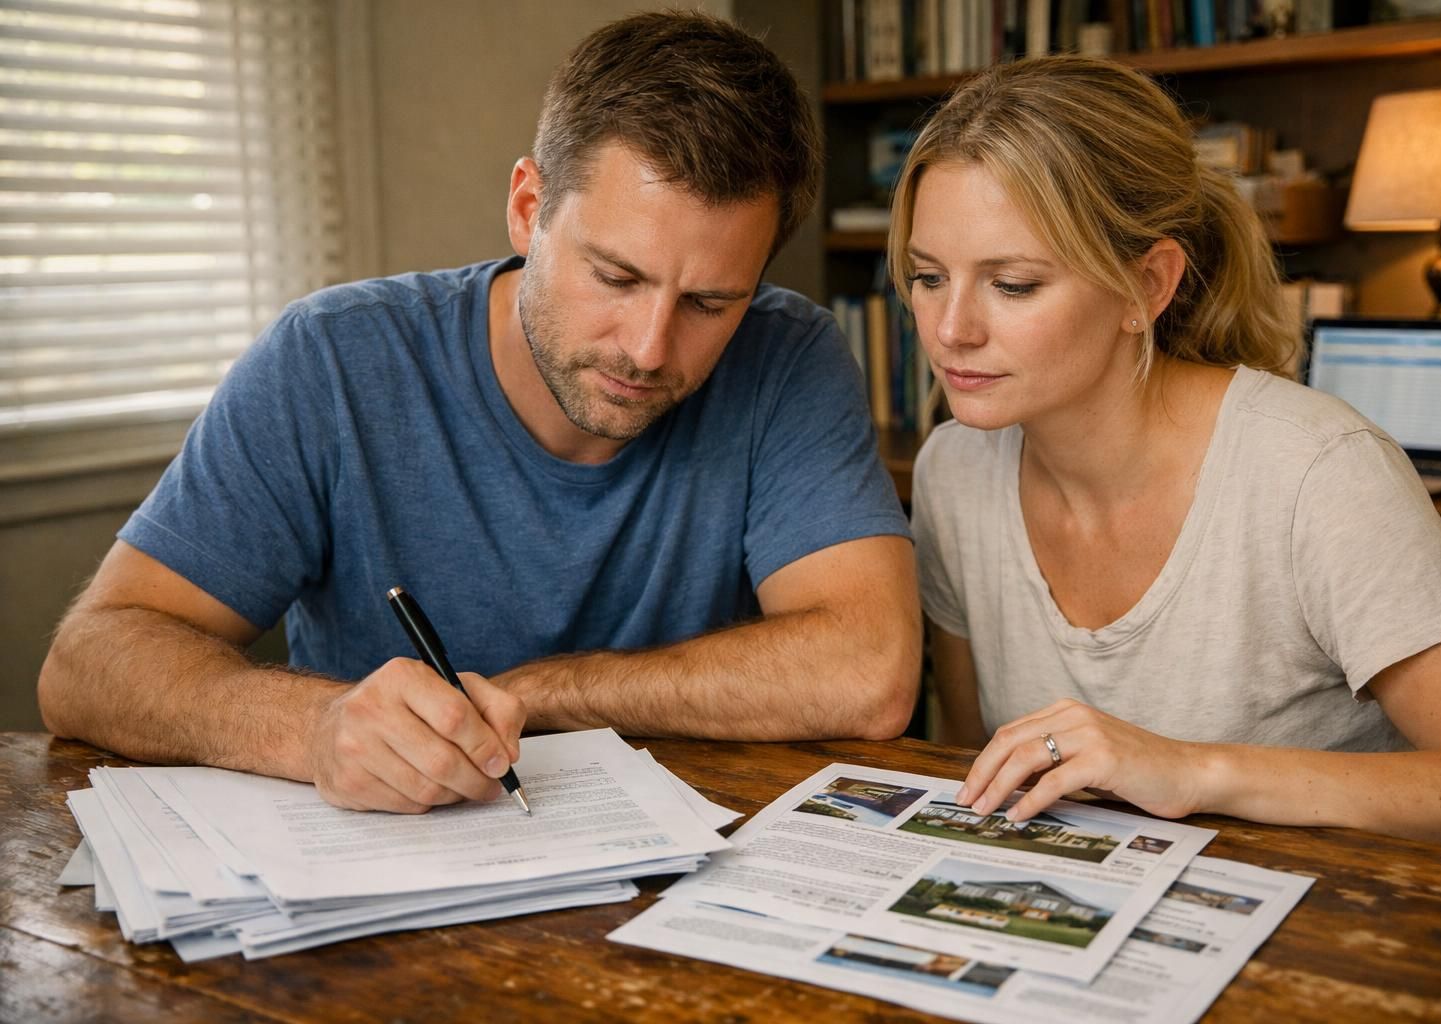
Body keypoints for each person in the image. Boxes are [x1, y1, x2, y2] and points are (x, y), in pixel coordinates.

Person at [38, 12, 920, 815]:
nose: (649, 348)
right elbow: (89, 664)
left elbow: (868, 669)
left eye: (710, 303)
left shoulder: (787, 354)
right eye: (615, 277)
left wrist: (534, 694)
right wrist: (314, 725)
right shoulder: (334, 358)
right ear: (529, 208)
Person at [897, 56, 1441, 853]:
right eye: (927, 277)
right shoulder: (953, 470)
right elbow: (972, 764)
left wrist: (1196, 771)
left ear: (1147, 287)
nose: (950, 328)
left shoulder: (1317, 469)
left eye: (1014, 284)